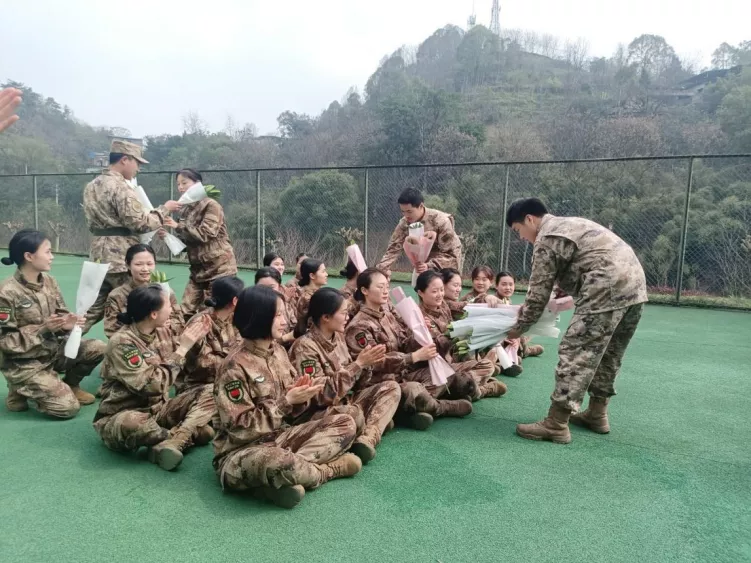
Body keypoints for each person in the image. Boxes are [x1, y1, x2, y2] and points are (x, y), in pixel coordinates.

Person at [505, 198, 647, 444]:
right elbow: (585, 259)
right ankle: (597, 414)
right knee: (609, 353)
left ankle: (556, 423)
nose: (521, 237)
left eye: (518, 230)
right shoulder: (570, 224)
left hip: (605, 286)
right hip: (635, 288)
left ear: (529, 219)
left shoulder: (546, 237)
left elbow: (537, 294)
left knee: (576, 350)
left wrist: (519, 327)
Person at [212, 285, 362, 509]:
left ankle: (280, 481)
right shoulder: (233, 367)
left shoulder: (278, 352)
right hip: (242, 451)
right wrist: (285, 402)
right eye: (279, 315)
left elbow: (292, 411)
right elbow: (239, 429)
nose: (285, 321)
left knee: (345, 423)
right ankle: (326, 471)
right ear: (260, 317)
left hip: (282, 436)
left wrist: (301, 396)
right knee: (280, 461)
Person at [93, 285, 215, 471]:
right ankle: (182, 435)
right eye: (168, 306)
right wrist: (182, 349)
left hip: (159, 410)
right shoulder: (122, 342)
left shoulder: (162, 331)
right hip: (123, 414)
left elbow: (185, 364)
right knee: (134, 423)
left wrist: (194, 342)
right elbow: (151, 386)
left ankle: (173, 440)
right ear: (153, 314)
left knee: (212, 390)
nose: (172, 309)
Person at [345, 269, 473, 431]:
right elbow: (375, 363)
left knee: (445, 372)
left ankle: (409, 410)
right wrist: (413, 357)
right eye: (380, 287)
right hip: (382, 383)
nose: (385, 291)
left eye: (387, 287)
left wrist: (417, 333)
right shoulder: (359, 326)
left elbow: (404, 343)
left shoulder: (387, 315)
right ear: (364, 290)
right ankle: (439, 407)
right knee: (414, 390)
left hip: (403, 374)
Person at [289, 287, 400, 464]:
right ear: (326, 317)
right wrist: (358, 365)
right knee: (353, 414)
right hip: (318, 412)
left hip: (346, 400)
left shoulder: (338, 337)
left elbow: (359, 385)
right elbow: (319, 396)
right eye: (343, 313)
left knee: (391, 387)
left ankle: (368, 437)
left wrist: (366, 366)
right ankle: (370, 426)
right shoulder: (305, 347)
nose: (347, 317)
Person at [0, 230, 105, 417]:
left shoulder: (50, 281)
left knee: (97, 348)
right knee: (68, 408)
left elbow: (61, 313)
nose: (52, 256)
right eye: (47, 252)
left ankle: (70, 385)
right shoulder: (6, 292)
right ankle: (19, 387)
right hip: (24, 362)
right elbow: (5, 341)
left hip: (52, 351)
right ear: (29, 256)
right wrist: (43, 329)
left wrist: (68, 323)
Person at [82, 140, 181, 333]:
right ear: (125, 160)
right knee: (137, 303)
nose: (138, 168)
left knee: (91, 309)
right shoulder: (121, 187)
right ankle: (131, 345)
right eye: (137, 163)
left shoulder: (92, 185)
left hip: (99, 254)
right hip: (121, 255)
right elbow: (140, 223)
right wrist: (164, 210)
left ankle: (63, 343)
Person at [415, 271, 506, 400]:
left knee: (486, 364)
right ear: (420, 293)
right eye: (435, 291)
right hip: (435, 367)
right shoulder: (418, 317)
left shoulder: (443, 305)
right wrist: (456, 333)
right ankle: (481, 390)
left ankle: (468, 386)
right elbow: (434, 349)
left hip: (453, 359)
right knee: (455, 378)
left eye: (441, 290)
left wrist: (485, 297)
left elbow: (466, 306)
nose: (440, 295)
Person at [170, 168, 238, 320]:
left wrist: (177, 226)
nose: (180, 187)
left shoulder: (211, 205)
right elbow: (188, 240)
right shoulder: (185, 209)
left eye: (184, 183)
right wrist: (168, 237)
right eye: (178, 184)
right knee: (184, 311)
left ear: (197, 183)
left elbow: (206, 234)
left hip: (220, 269)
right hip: (198, 271)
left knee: (215, 314)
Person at [178, 276, 244, 395]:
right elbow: (204, 365)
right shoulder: (201, 323)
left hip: (225, 379)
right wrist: (240, 363)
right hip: (199, 386)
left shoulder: (232, 319)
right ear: (235, 301)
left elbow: (240, 345)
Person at [376, 188, 463, 275]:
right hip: (422, 264)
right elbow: (393, 249)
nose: (406, 215)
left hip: (446, 265)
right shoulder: (404, 223)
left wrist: (429, 266)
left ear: (421, 206)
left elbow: (451, 255)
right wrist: (380, 271)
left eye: (409, 211)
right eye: (403, 212)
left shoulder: (440, 220)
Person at [104, 244, 183, 338]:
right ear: (128, 265)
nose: (145, 269)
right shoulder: (117, 296)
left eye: (149, 264)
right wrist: (146, 329)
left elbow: (179, 322)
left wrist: (169, 325)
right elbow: (111, 331)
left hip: (164, 343)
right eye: (138, 264)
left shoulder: (165, 292)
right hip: (131, 344)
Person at [495, 271, 543, 362]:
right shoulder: (494, 301)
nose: (508, 288)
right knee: (519, 334)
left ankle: (524, 350)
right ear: (496, 286)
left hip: (507, 336)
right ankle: (525, 351)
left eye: (511, 284)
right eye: (504, 284)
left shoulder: (508, 300)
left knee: (525, 329)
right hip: (498, 338)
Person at [255, 267, 296, 346]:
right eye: (262, 287)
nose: (266, 291)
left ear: (280, 288)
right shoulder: (251, 309)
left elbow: (294, 327)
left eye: (271, 287)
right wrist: (285, 338)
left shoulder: (286, 306)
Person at [294, 258, 328, 336]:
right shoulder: (307, 298)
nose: (326, 274)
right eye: (323, 271)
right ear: (312, 275)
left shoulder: (317, 293)